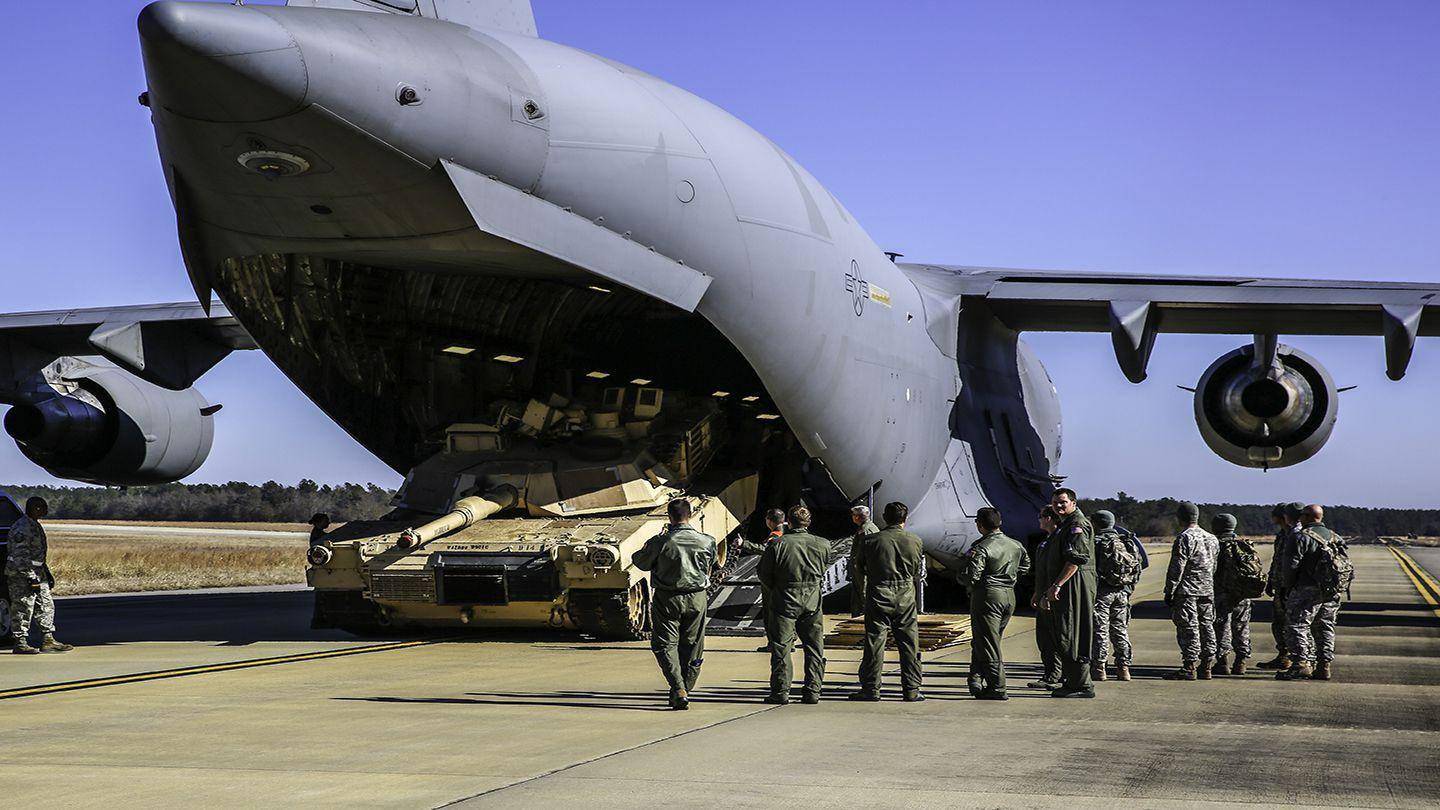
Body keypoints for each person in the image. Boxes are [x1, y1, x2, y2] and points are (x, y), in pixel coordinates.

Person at [633, 499, 718, 710]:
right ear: (690, 515)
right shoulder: (707, 541)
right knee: (693, 646)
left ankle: (678, 688)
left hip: (668, 597)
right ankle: (685, 689)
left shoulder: (661, 541)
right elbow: (713, 564)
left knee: (664, 644)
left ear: (669, 516)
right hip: (697, 597)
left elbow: (641, 562)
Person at [848, 501, 925, 702]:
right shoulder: (914, 540)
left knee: (874, 642)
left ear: (884, 517)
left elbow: (860, 567)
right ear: (905, 519)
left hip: (879, 592)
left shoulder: (871, 541)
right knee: (909, 643)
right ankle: (912, 689)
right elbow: (917, 569)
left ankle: (871, 688)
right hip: (905, 595)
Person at [758, 505, 830, 704]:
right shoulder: (823, 544)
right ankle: (813, 690)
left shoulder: (778, 544)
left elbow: (764, 574)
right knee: (814, 647)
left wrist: (777, 589)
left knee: (781, 646)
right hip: (812, 599)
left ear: (788, 522)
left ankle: (781, 691)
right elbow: (823, 568)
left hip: (785, 599)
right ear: (808, 522)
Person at [962, 507, 1029, 700]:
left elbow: (971, 575)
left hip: (988, 596)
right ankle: (976, 678)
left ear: (980, 525)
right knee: (987, 639)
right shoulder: (1015, 545)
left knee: (987, 642)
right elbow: (1025, 566)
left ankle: (997, 686)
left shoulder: (981, 547)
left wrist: (963, 576)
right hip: (1008, 595)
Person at [1039, 488, 1097, 698]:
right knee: (1064, 631)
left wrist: (1057, 585)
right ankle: (1074, 681)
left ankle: (1081, 685)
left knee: (1073, 632)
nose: (1059, 506)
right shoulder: (1065, 526)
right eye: (1055, 503)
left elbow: (1076, 559)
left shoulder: (1077, 525)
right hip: (1067, 584)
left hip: (1075, 585)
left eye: (1063, 502)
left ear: (1073, 502)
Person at [1277, 504, 1344, 682]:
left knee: (1297, 625)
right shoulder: (1335, 537)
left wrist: (1287, 587)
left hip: (1306, 588)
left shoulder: (1299, 537)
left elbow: (1290, 566)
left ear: (1306, 517)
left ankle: (1301, 665)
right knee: (1325, 626)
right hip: (1331, 590)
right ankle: (1324, 666)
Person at [6, 497, 71, 654]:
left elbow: (37, 556)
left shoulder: (34, 525)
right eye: (42, 507)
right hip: (21, 575)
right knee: (23, 606)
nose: (45, 510)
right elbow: (20, 555)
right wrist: (30, 577)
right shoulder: (22, 527)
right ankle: (20, 642)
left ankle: (48, 640)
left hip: (38, 574)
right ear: (34, 508)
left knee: (46, 605)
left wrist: (45, 573)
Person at [1163, 502, 1219, 680]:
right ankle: (1207, 665)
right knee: (1207, 626)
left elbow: (1177, 567)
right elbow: (1214, 565)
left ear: (1180, 518)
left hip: (1187, 590)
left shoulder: (1185, 537)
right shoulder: (1211, 538)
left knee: (1189, 628)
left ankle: (1189, 666)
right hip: (1207, 589)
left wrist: (1169, 590)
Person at [1091, 510, 1140, 683]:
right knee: (1120, 630)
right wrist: (1127, 589)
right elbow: (1138, 568)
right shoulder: (1126, 542)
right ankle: (1124, 668)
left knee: (1100, 631)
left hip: (1102, 593)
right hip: (1122, 592)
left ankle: (1099, 668)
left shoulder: (1095, 542)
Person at [1257, 503, 1304, 671]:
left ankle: (1298, 659)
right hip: (1280, 585)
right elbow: (1277, 560)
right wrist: (1271, 581)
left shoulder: (1297, 534)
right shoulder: (1283, 535)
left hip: (1292, 588)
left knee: (1294, 624)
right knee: (1279, 623)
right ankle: (1284, 656)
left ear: (1282, 517)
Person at [1211, 513, 1254, 676]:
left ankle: (1223, 662)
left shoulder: (1216, 545)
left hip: (1221, 592)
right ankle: (1241, 662)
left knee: (1222, 627)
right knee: (1242, 627)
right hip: (1242, 594)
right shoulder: (1244, 544)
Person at [740, 508, 787, 652]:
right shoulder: (789, 531)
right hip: (785, 577)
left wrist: (744, 544)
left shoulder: (775, 536)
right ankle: (788, 640)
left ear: (770, 521)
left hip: (773, 579)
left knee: (771, 613)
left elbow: (765, 549)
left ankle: (774, 643)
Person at [1028, 507, 1064, 690]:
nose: (1039, 520)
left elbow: (1054, 572)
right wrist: (1037, 591)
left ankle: (1055, 675)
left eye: (1041, 517)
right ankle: (1053, 674)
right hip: (1044, 594)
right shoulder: (1049, 541)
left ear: (1049, 518)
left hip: (1052, 597)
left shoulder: (1057, 541)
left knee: (1052, 638)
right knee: (1045, 638)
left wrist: (1048, 594)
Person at [847, 505, 880, 617]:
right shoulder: (868, 528)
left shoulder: (866, 530)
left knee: (864, 594)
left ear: (857, 517)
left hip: (865, 571)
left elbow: (868, 552)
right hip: (862, 570)